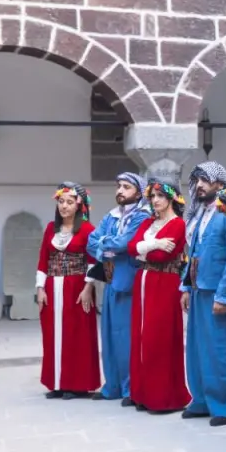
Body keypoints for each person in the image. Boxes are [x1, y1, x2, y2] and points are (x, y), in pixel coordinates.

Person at [180, 162, 226, 426]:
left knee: (221, 350)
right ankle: (202, 400)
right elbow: (191, 254)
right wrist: (185, 285)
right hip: (198, 288)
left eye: (205, 180)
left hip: (218, 292)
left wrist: (224, 295)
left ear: (219, 183)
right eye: (196, 180)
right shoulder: (199, 214)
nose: (199, 185)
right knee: (197, 348)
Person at [128, 178, 190, 414]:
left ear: (172, 198)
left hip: (164, 283)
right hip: (142, 281)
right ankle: (141, 393)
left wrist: (144, 248)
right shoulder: (147, 223)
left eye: (160, 196)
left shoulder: (177, 225)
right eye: (152, 197)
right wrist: (152, 244)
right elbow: (132, 248)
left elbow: (162, 258)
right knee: (141, 336)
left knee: (158, 338)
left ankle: (162, 397)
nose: (155, 201)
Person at [87, 172, 150, 405]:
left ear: (139, 192)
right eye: (118, 186)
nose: (120, 191)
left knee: (126, 337)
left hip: (129, 282)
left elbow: (125, 243)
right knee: (109, 336)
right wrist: (108, 246)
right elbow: (91, 242)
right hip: (111, 280)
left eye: (126, 187)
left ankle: (129, 387)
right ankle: (111, 385)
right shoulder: (111, 217)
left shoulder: (142, 217)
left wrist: (106, 245)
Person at [35, 182, 100, 400]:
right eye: (61, 202)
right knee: (52, 333)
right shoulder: (49, 229)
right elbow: (43, 259)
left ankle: (76, 384)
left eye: (69, 202)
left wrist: (88, 287)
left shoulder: (88, 230)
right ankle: (56, 383)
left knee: (76, 335)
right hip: (53, 287)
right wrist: (40, 288)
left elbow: (92, 261)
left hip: (76, 288)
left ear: (79, 205)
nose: (64, 206)